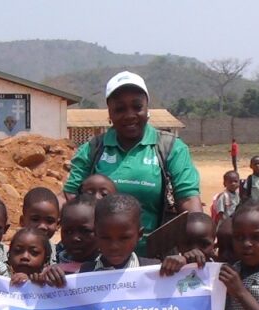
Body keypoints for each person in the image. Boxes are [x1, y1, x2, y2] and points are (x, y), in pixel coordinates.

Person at [63, 71, 202, 255]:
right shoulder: (93, 149)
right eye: (120, 109)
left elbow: (188, 200)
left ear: (147, 108)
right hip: (100, 259)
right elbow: (69, 196)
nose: (129, 115)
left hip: (155, 260)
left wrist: (197, 243)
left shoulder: (171, 149)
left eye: (137, 107)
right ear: (109, 112)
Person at [51, 193, 99, 274]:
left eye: (84, 231)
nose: (75, 238)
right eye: (68, 231)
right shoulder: (52, 261)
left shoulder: (114, 265)